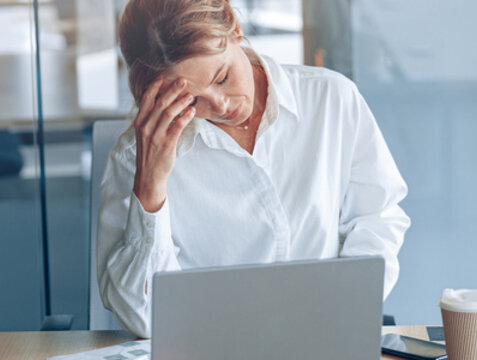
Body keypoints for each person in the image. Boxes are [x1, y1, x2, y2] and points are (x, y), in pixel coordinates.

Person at [97, 0, 411, 338]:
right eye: (189, 100)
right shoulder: (135, 157)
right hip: (211, 346)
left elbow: (377, 217)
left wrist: (344, 304)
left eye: (222, 77)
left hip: (324, 339)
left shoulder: (332, 100)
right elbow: (144, 318)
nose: (220, 106)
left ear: (234, 28)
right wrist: (150, 187)